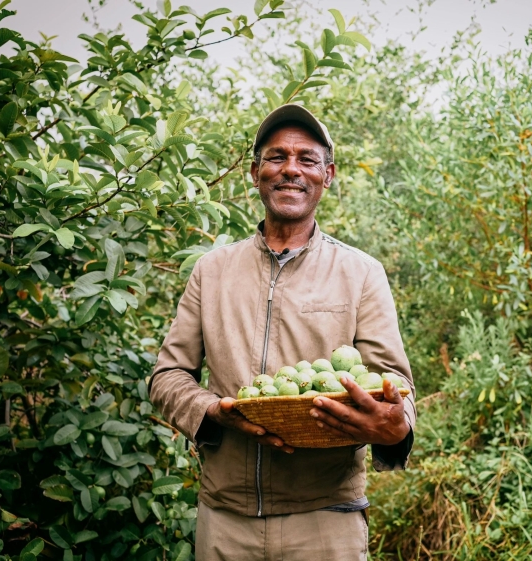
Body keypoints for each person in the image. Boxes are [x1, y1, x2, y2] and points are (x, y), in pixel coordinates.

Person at [149, 104, 416, 561]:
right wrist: (215, 411)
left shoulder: (361, 273)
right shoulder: (212, 271)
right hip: (225, 519)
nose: (291, 169)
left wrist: (396, 426)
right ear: (255, 173)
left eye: (307, 159)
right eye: (276, 157)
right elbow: (167, 376)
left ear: (327, 175)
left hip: (325, 519)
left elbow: (394, 385)